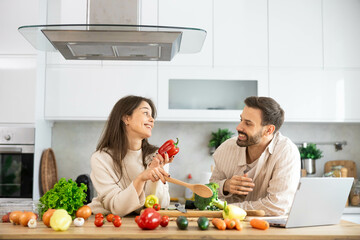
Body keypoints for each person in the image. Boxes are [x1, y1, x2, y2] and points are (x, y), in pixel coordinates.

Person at [209, 96, 300, 216]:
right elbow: (208, 193)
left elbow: (277, 206)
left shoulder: (286, 152)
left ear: (268, 130)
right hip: (227, 226)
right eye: (241, 120)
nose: (239, 127)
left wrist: (228, 208)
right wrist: (225, 186)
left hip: (268, 231)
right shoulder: (226, 149)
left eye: (248, 123)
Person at [88, 95, 173, 216]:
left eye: (152, 116)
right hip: (106, 222)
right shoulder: (101, 159)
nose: (152, 120)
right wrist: (141, 178)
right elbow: (117, 208)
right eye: (145, 113)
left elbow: (161, 205)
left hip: (143, 224)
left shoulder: (156, 156)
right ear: (126, 118)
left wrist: (154, 178)